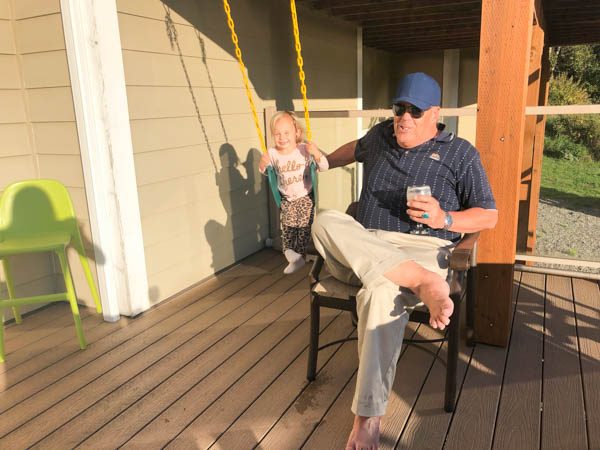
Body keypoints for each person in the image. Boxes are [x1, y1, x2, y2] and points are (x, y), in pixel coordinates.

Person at [310, 72, 498, 449]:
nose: (404, 118)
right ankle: (418, 280)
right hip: (366, 245)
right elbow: (355, 148)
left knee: (381, 292)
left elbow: (488, 215)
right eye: (399, 108)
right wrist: (325, 162)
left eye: (415, 110)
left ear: (436, 114)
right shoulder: (381, 135)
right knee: (324, 220)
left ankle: (367, 419)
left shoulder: (460, 153)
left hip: (423, 247)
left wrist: (444, 218)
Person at [259, 111, 328, 274]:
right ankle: (291, 255)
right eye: (277, 134)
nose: (282, 137)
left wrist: (316, 154)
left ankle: (300, 257)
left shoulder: (304, 149)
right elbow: (264, 171)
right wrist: (262, 162)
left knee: (303, 228)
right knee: (288, 228)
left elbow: (324, 166)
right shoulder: (273, 153)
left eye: (286, 133)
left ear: (297, 132)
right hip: (287, 199)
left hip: (305, 197)